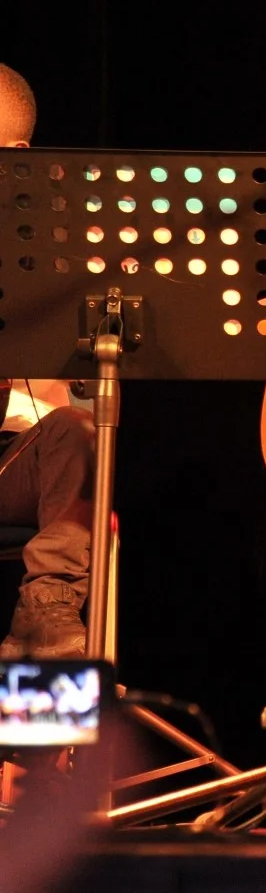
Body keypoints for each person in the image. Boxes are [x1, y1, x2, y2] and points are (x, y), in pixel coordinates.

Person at [0, 62, 96, 663]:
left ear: (16, 156)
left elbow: (83, 394)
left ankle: (46, 605)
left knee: (78, 432)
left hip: (15, 463)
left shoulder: (62, 241)